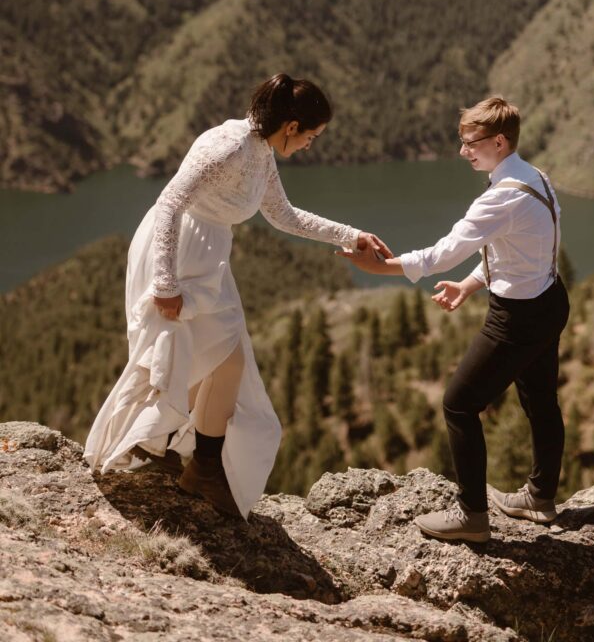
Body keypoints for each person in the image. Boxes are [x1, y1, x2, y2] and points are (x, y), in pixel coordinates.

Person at [85, 73, 391, 520]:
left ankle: (175, 453)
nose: (310, 145)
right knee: (202, 357)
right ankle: (184, 460)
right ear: (291, 126)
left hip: (207, 260)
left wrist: (351, 235)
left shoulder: (261, 151)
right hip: (176, 254)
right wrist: (165, 284)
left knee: (218, 357)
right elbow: (170, 203)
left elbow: (283, 215)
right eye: (311, 136)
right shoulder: (226, 145)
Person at [340, 97, 569, 543]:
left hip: (517, 318)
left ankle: (472, 516)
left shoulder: (500, 198)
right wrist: (470, 284)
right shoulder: (534, 177)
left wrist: (379, 268)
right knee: (541, 400)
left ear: (499, 142)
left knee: (458, 403)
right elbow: (521, 251)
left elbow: (442, 253)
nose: (463, 151)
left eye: (471, 143)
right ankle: (540, 498)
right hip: (549, 301)